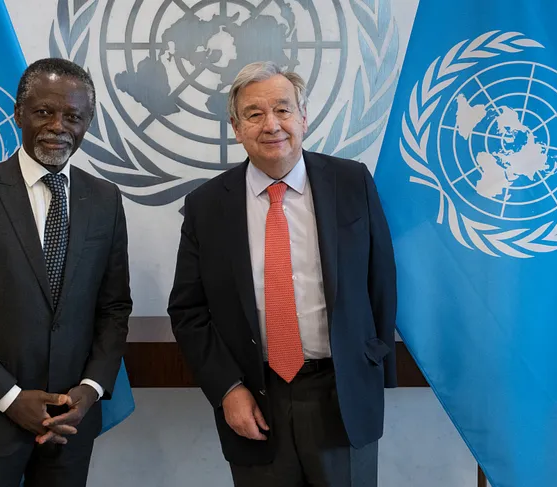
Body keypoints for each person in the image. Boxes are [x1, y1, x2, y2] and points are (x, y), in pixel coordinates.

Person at [167, 61, 397, 487]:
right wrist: (227, 389)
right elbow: (188, 311)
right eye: (254, 114)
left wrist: (374, 366)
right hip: (255, 399)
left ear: (303, 117)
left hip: (341, 391)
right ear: (236, 128)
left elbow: (380, 280)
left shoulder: (352, 182)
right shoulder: (207, 206)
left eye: (283, 110)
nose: (271, 124)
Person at [0, 58, 132, 487]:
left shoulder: (105, 200)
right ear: (18, 113)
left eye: (73, 116)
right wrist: (10, 399)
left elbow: (114, 307)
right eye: (43, 112)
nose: (58, 126)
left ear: (87, 122)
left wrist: (90, 390)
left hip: (71, 424)